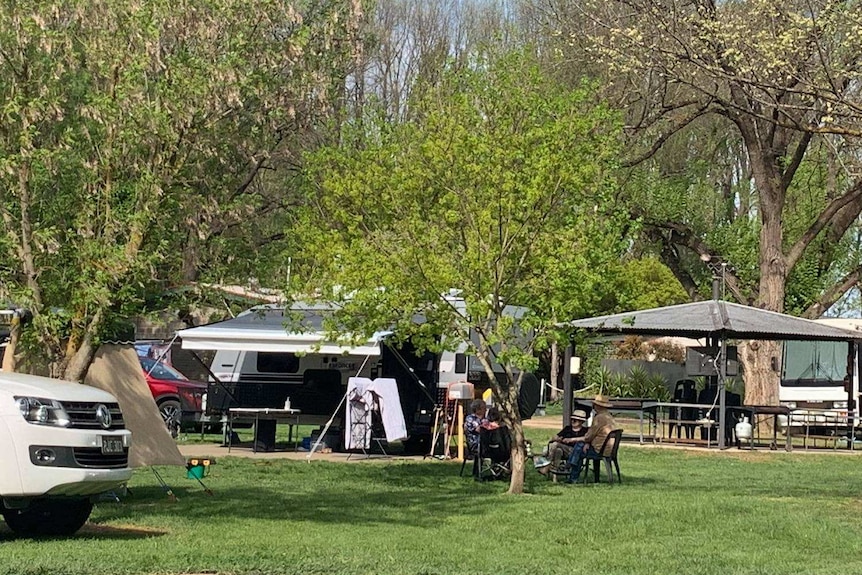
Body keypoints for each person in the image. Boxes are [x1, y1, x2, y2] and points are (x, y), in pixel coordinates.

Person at [567, 395, 618, 483]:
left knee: (578, 448)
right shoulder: (609, 417)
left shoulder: (599, 418)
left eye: (595, 405)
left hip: (599, 450)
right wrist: (587, 442)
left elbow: (588, 437)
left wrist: (572, 440)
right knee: (580, 446)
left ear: (599, 406)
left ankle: (571, 472)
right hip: (608, 449)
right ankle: (571, 465)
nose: (593, 407)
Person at [541, 409, 589, 475]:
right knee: (558, 450)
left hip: (575, 451)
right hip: (563, 450)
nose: (573, 421)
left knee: (555, 445)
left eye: (576, 420)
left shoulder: (585, 430)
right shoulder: (567, 428)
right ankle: (555, 471)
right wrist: (558, 438)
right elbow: (555, 437)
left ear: (581, 422)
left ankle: (546, 466)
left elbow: (586, 439)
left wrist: (571, 440)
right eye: (572, 419)